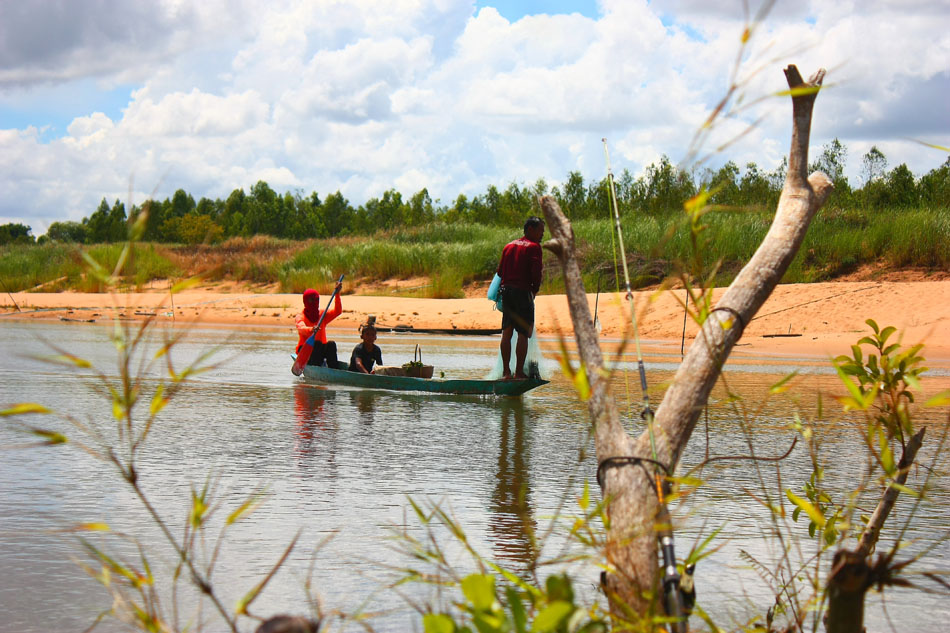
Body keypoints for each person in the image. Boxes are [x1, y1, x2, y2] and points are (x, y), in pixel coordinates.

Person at [497, 216, 544, 380]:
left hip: (507, 292)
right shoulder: (534, 247)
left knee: (507, 333)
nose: (542, 234)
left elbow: (500, 272)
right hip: (523, 293)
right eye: (540, 230)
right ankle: (518, 372)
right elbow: (536, 273)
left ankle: (506, 373)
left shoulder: (508, 246)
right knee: (523, 334)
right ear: (530, 229)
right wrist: (534, 291)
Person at [295, 280, 343, 367]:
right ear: (305, 301)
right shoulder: (300, 317)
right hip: (306, 350)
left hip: (320, 349)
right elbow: (301, 328)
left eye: (317, 299)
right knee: (317, 344)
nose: (314, 302)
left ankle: (334, 368)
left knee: (331, 344)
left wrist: (337, 294)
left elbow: (338, 311)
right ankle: (316, 367)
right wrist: (311, 329)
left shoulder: (322, 314)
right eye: (311, 300)